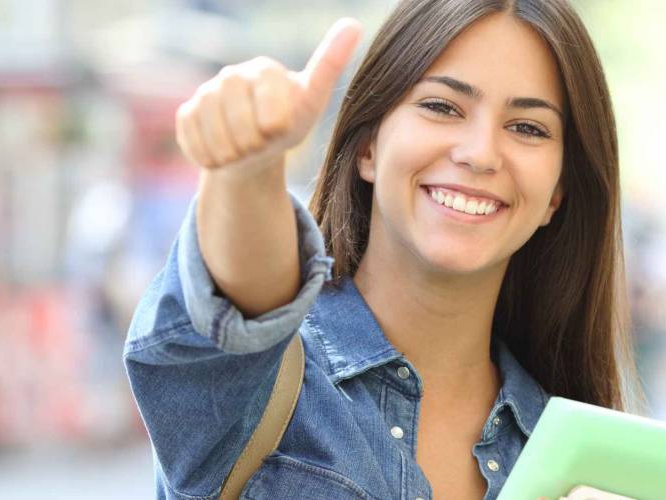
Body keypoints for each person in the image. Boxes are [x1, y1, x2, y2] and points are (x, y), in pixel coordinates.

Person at [123, 1, 637, 499]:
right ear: (368, 146)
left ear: (558, 193)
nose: (480, 153)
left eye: (527, 128)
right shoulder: (255, 389)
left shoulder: (582, 462)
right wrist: (248, 170)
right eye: (442, 107)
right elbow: (244, 303)